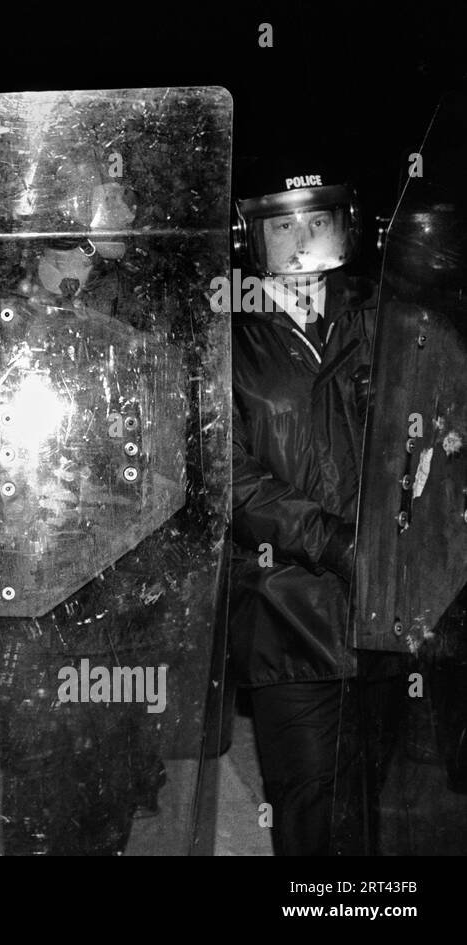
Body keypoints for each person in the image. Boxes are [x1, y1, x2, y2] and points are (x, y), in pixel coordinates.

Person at [228, 158, 386, 855]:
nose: (299, 249)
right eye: (281, 232)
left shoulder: (377, 321)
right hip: (284, 606)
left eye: (316, 228)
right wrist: (331, 540)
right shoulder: (230, 338)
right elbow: (233, 478)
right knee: (309, 800)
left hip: (381, 602)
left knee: (366, 795)